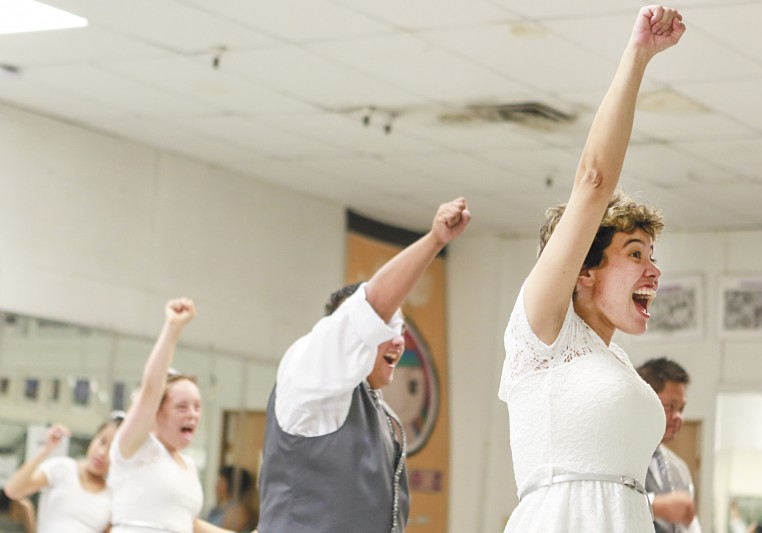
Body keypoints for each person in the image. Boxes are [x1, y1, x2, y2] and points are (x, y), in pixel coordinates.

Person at [497, 6, 685, 532]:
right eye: (634, 254)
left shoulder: (616, 363)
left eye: (652, 257)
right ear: (583, 270)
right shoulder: (542, 335)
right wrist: (638, 57)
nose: (653, 272)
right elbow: (594, 180)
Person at [258, 198, 470, 533]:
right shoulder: (308, 369)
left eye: (401, 331)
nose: (398, 341)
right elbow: (370, 307)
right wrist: (434, 241)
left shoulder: (382, 414)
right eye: (387, 328)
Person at [107, 298, 233, 533]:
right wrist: (172, 329)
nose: (193, 414)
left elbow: (188, 524)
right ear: (157, 411)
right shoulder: (134, 447)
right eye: (182, 407)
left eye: (197, 406)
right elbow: (150, 391)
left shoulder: (188, 465)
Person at [4, 417, 122, 532]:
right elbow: (13, 490)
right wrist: (46, 450)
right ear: (94, 438)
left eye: (113, 450)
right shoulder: (62, 468)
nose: (102, 452)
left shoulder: (113, 496)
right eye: (102, 442)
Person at [638, 357, 702, 532]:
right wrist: (658, 506)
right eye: (669, 407)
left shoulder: (680, 468)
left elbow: (691, 526)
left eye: (681, 409)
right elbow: (603, 507)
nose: (678, 417)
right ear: (642, 403)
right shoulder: (616, 457)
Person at [206, 465, 255, 531]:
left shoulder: (237, 512)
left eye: (221, 482)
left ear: (231, 485)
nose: (216, 485)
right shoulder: (215, 509)